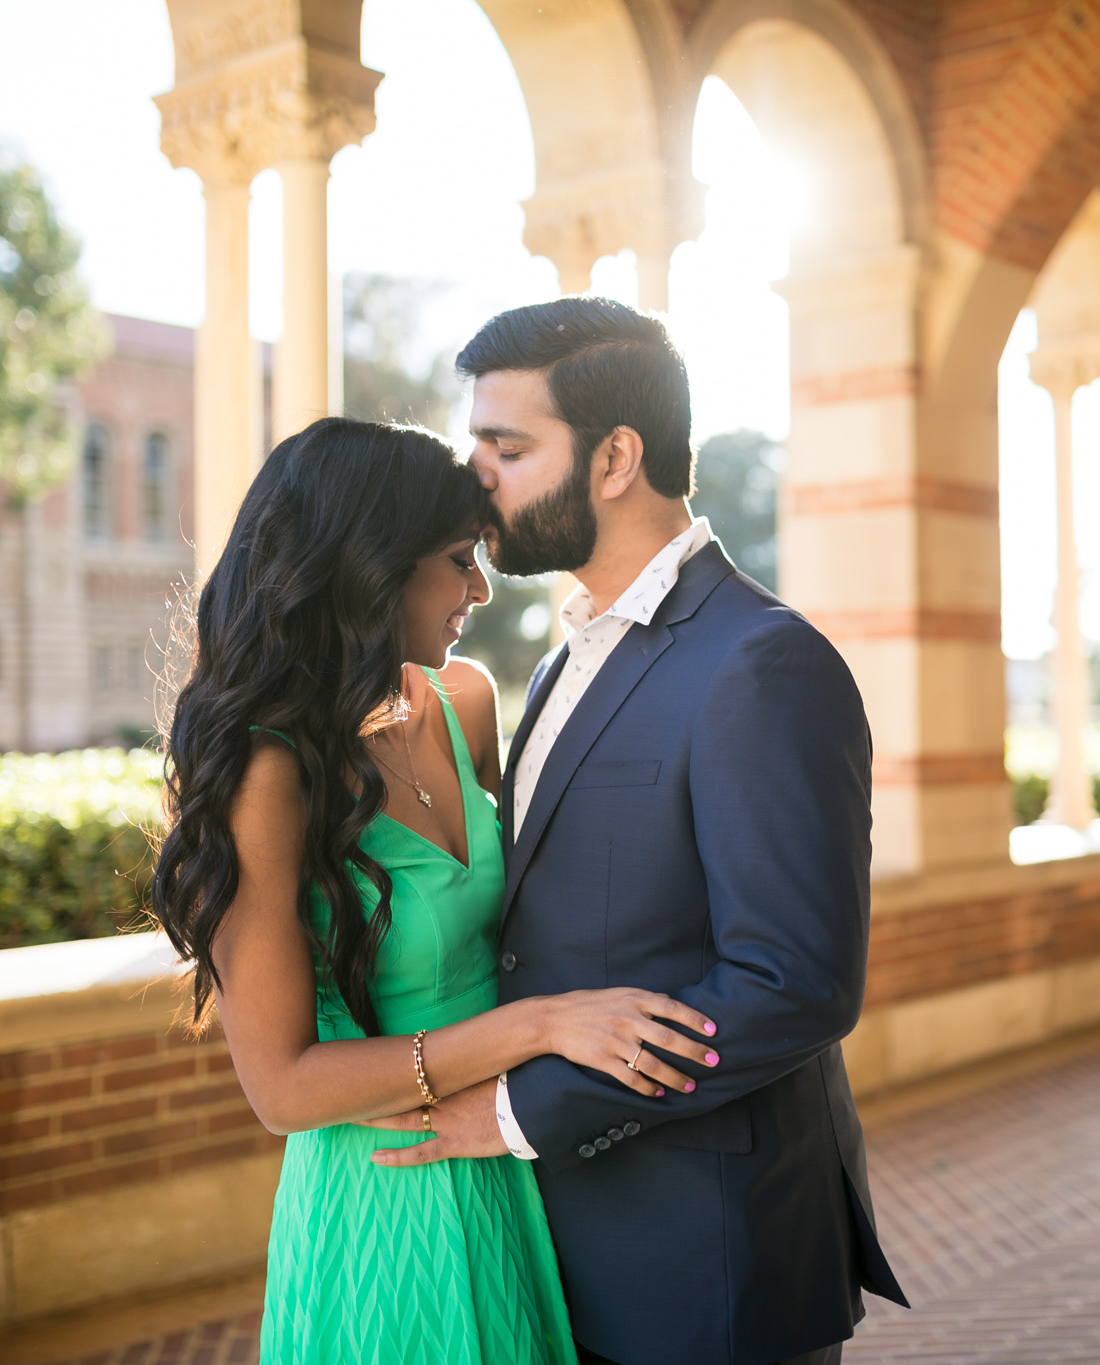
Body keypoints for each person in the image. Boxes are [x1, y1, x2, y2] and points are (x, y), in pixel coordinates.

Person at [365, 298, 906, 1365]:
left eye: (506, 447)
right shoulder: (568, 656)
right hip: (560, 1248)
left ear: (614, 458)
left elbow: (793, 983)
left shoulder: (760, 664)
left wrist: (522, 1111)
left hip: (706, 1259)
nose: (474, 477)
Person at [150, 419, 724, 1363]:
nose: (481, 589)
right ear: (368, 566)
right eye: (458, 560)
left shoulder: (466, 701)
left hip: (511, 1161)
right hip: (385, 1191)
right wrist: (542, 1027)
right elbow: (284, 1087)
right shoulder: (268, 772)